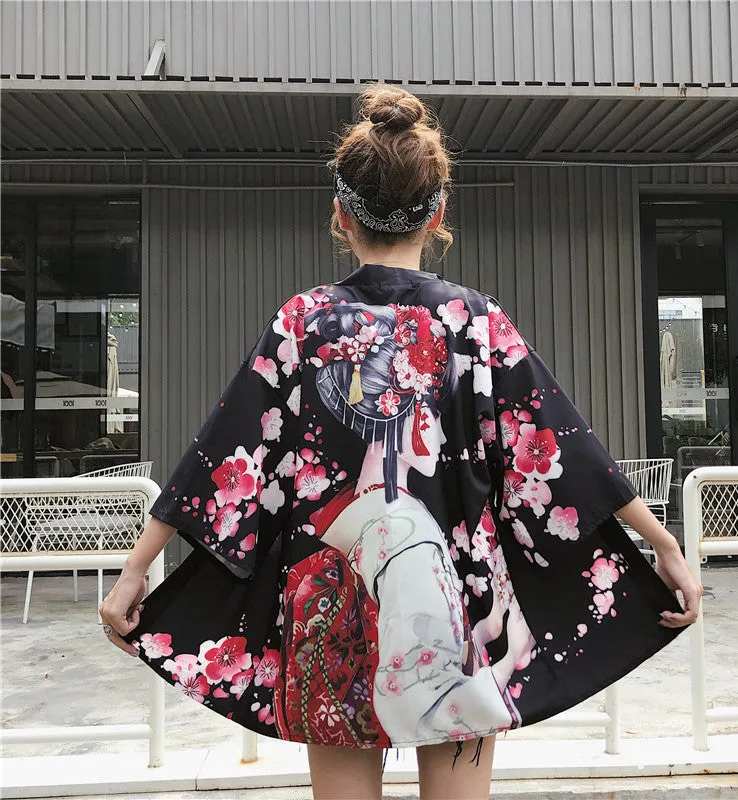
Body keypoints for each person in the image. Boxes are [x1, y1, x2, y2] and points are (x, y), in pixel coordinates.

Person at [100, 86, 702, 800]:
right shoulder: (475, 324)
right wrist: (661, 544)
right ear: (439, 214)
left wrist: (139, 566)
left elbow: (227, 453)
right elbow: (560, 449)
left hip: (331, 599)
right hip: (463, 605)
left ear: (339, 214)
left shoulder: (302, 323)